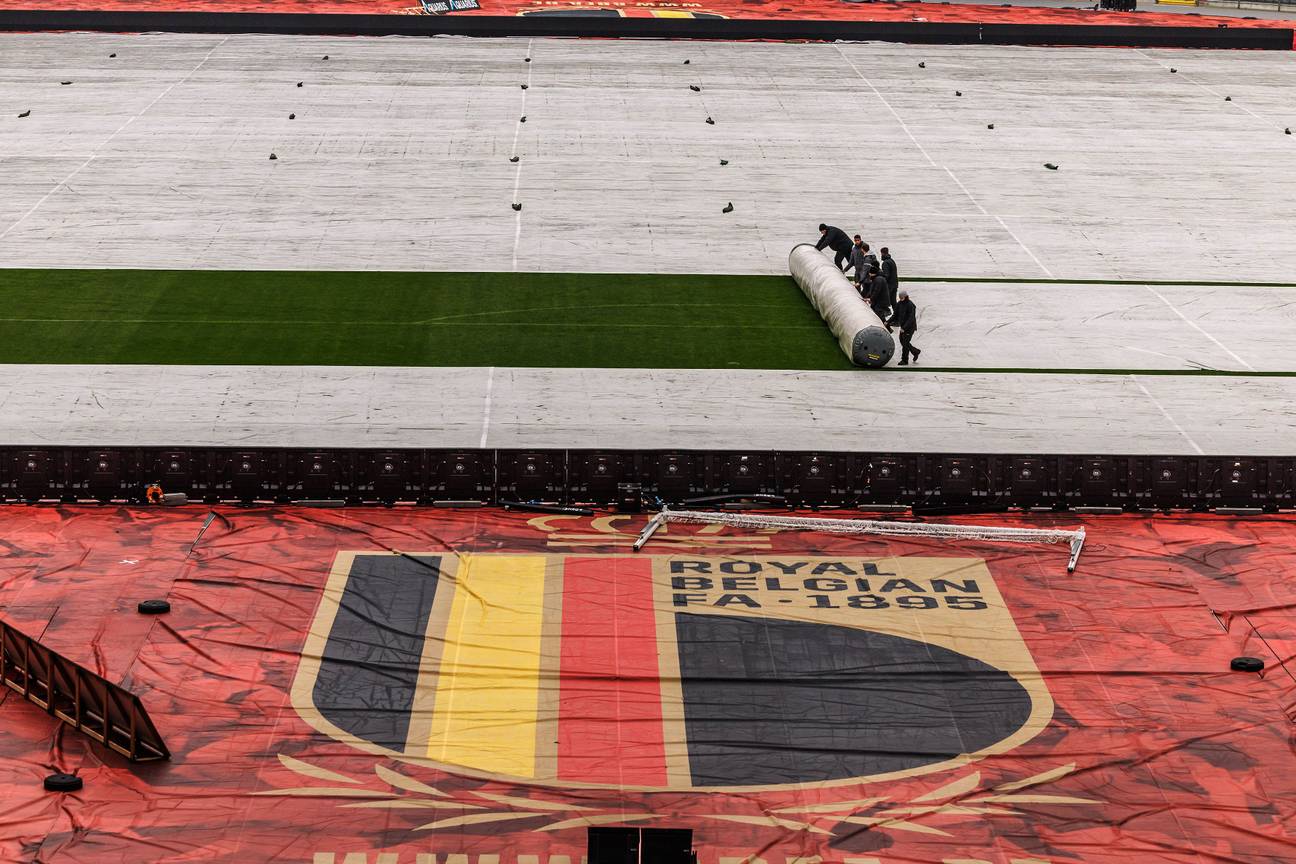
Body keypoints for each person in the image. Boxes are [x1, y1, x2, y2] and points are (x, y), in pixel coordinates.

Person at [887, 289, 921, 366]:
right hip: (903, 327)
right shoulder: (899, 304)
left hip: (910, 327)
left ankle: (904, 360)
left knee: (905, 343)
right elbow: (895, 315)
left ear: (906, 297)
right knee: (903, 342)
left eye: (902, 297)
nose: (901, 299)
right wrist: (888, 321)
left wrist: (904, 328)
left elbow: (911, 318)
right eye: (900, 298)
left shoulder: (910, 305)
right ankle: (915, 352)